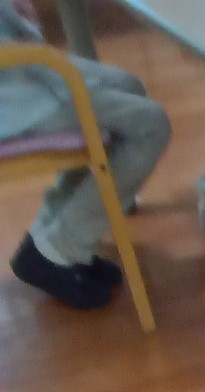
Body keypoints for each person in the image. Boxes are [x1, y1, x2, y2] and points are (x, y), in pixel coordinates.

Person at [1, 0, 170, 311]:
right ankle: (61, 246)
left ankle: (48, 234)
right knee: (152, 126)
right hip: (13, 94)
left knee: (130, 85)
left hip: (23, 67)